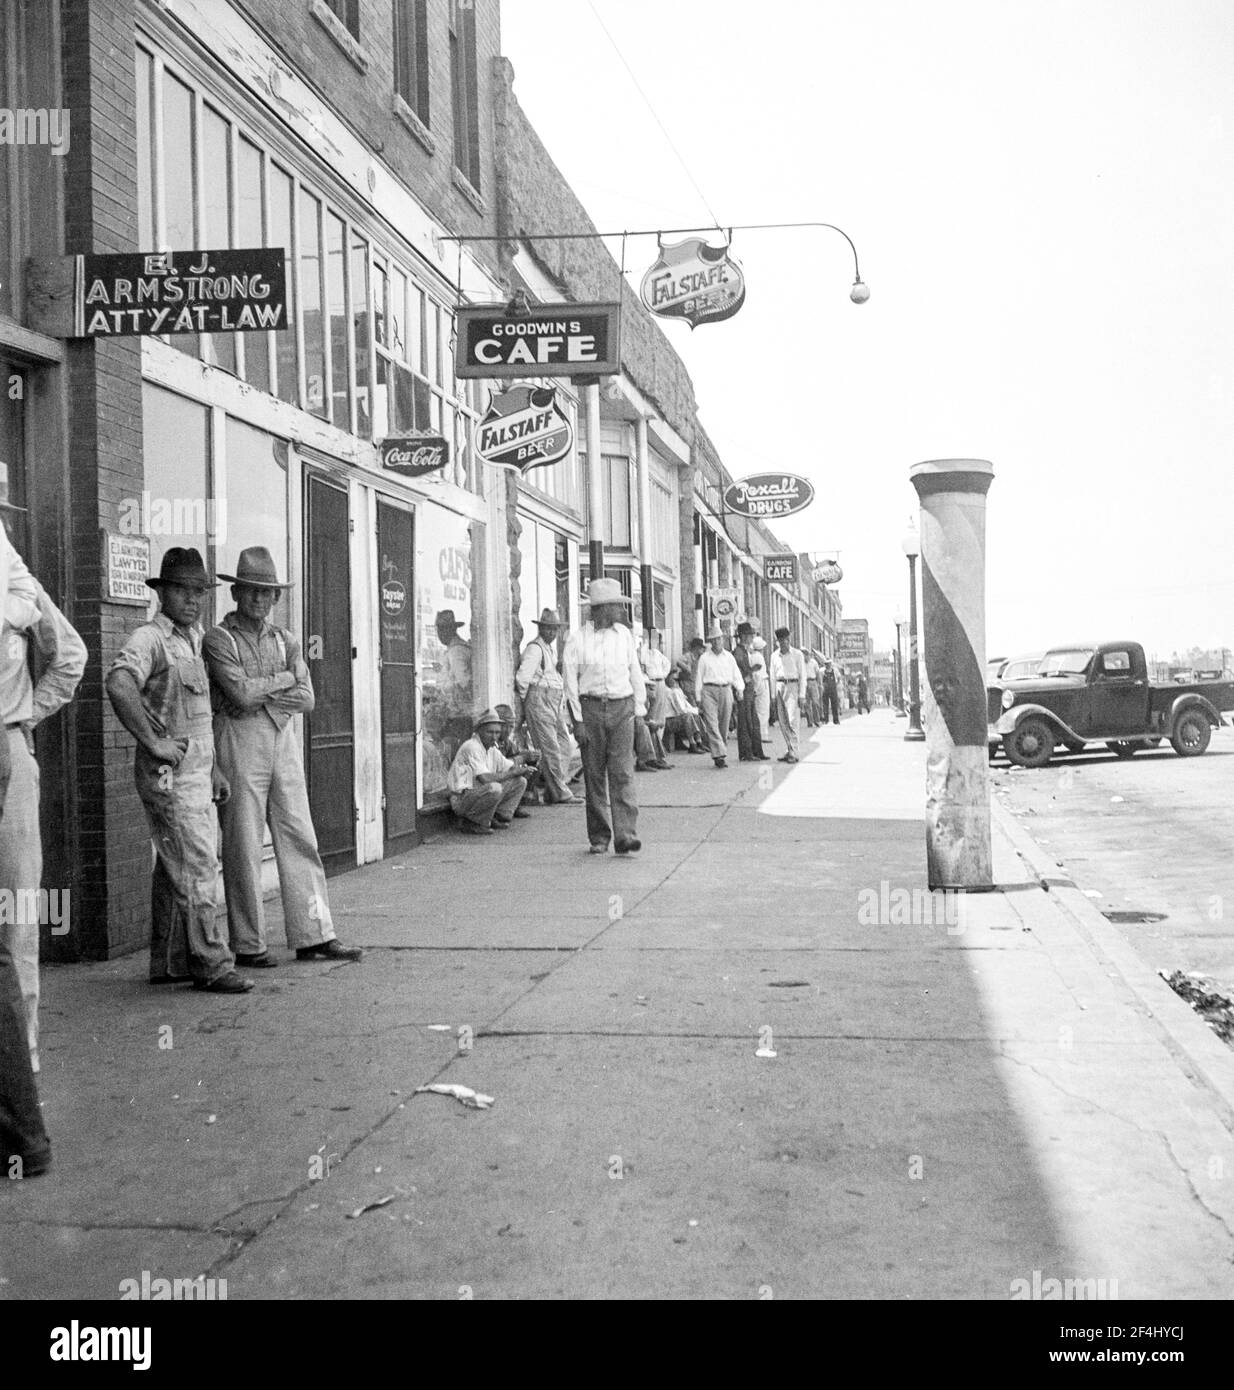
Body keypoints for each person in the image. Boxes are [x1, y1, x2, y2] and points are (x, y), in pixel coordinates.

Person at [203, 546, 362, 969]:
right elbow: (236, 694)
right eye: (251, 591)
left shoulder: (287, 638)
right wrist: (286, 679)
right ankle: (249, 944)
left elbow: (307, 699)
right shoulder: (219, 638)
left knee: (299, 834)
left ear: (276, 598)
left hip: (281, 737)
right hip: (239, 740)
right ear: (236, 593)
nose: (259, 599)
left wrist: (266, 692)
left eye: (267, 592)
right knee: (243, 841)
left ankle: (314, 934)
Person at [106, 548, 251, 993]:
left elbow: (200, 715)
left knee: (178, 863)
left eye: (199, 592)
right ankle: (212, 964)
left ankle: (170, 963)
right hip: (169, 775)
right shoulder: (150, 637)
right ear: (162, 592)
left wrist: (214, 771)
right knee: (197, 863)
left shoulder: (194, 638)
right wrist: (152, 742)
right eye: (182, 591)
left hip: (196, 772)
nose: (192, 600)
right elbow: (118, 681)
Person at [0, 571, 86, 1073]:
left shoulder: (11, 574)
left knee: (14, 914)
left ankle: (21, 1070)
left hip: (5, 748)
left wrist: (24, 717)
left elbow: (70, 654)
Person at [562, 577, 645, 855]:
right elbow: (570, 682)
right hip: (591, 708)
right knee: (595, 774)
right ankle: (599, 836)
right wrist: (578, 721)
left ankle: (626, 834)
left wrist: (640, 709)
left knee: (622, 773)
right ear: (600, 609)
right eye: (615, 607)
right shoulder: (577, 639)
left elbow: (635, 672)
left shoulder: (624, 636)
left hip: (622, 707)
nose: (620, 612)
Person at [514, 608, 579, 805]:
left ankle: (556, 786)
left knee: (564, 743)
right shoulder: (535, 649)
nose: (551, 632)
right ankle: (559, 792)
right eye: (548, 628)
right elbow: (523, 678)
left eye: (554, 629)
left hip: (552, 700)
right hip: (540, 699)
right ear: (541, 628)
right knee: (550, 748)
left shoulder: (549, 649)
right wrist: (529, 704)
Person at [446, 708, 533, 835]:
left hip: (476, 793)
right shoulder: (472, 746)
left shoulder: (491, 748)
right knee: (494, 788)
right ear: (479, 731)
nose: (494, 737)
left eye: (497, 733)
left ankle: (495, 816)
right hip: (460, 798)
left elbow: (509, 766)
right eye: (490, 732)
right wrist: (514, 772)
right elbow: (485, 779)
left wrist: (523, 770)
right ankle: (472, 822)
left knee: (520, 781)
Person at [695, 630, 744, 769]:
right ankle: (718, 754)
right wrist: (698, 697)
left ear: (722, 640)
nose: (716, 642)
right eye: (713, 640)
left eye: (718, 639)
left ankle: (720, 752)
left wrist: (739, 689)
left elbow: (736, 674)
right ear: (710, 642)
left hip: (726, 689)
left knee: (724, 722)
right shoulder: (704, 658)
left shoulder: (729, 657)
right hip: (708, 690)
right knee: (711, 722)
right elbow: (699, 677)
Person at [636, 630, 673, 771]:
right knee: (651, 718)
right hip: (649, 684)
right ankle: (650, 756)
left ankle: (657, 755)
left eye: (656, 639)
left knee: (660, 718)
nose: (653, 641)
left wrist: (662, 675)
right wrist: (649, 679)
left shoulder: (658, 654)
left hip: (660, 682)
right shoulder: (641, 653)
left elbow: (667, 665)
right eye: (651, 638)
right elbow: (640, 670)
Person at [769, 627, 807, 763]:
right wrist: (772, 696)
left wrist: (802, 695)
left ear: (789, 639)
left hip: (793, 686)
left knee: (792, 719)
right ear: (777, 641)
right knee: (783, 721)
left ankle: (794, 752)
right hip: (779, 686)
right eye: (780, 640)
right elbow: (772, 676)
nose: (783, 643)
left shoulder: (797, 655)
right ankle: (789, 748)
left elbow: (803, 675)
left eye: (785, 640)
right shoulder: (774, 656)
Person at [495, 702, 542, 807]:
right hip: (492, 778)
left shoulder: (506, 742)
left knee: (532, 766)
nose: (508, 731)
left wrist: (531, 757)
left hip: (502, 776)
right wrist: (522, 758)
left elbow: (517, 754)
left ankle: (520, 802)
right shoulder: (490, 741)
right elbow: (500, 765)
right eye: (504, 726)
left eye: (511, 726)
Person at [733, 623, 767, 761]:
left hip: (749, 690)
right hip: (744, 689)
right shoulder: (739, 652)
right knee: (746, 722)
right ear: (743, 636)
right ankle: (747, 752)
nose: (751, 638)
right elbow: (739, 672)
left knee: (752, 720)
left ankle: (755, 751)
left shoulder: (744, 651)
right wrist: (749, 674)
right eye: (749, 635)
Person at [663, 664, 707, 753]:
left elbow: (687, 705)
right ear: (667, 678)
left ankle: (699, 741)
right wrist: (694, 711)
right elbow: (681, 710)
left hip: (675, 717)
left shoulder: (677, 690)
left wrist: (696, 711)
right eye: (673, 679)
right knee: (687, 716)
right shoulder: (668, 691)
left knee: (696, 716)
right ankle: (692, 743)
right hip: (668, 720)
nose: (675, 682)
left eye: (677, 680)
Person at [804, 651, 823, 726]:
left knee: (815, 702)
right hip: (805, 682)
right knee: (806, 703)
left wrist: (820, 684)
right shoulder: (801, 663)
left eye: (806, 655)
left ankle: (817, 720)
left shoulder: (814, 662)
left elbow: (818, 673)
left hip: (813, 681)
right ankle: (810, 721)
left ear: (809, 655)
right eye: (804, 656)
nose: (805, 657)